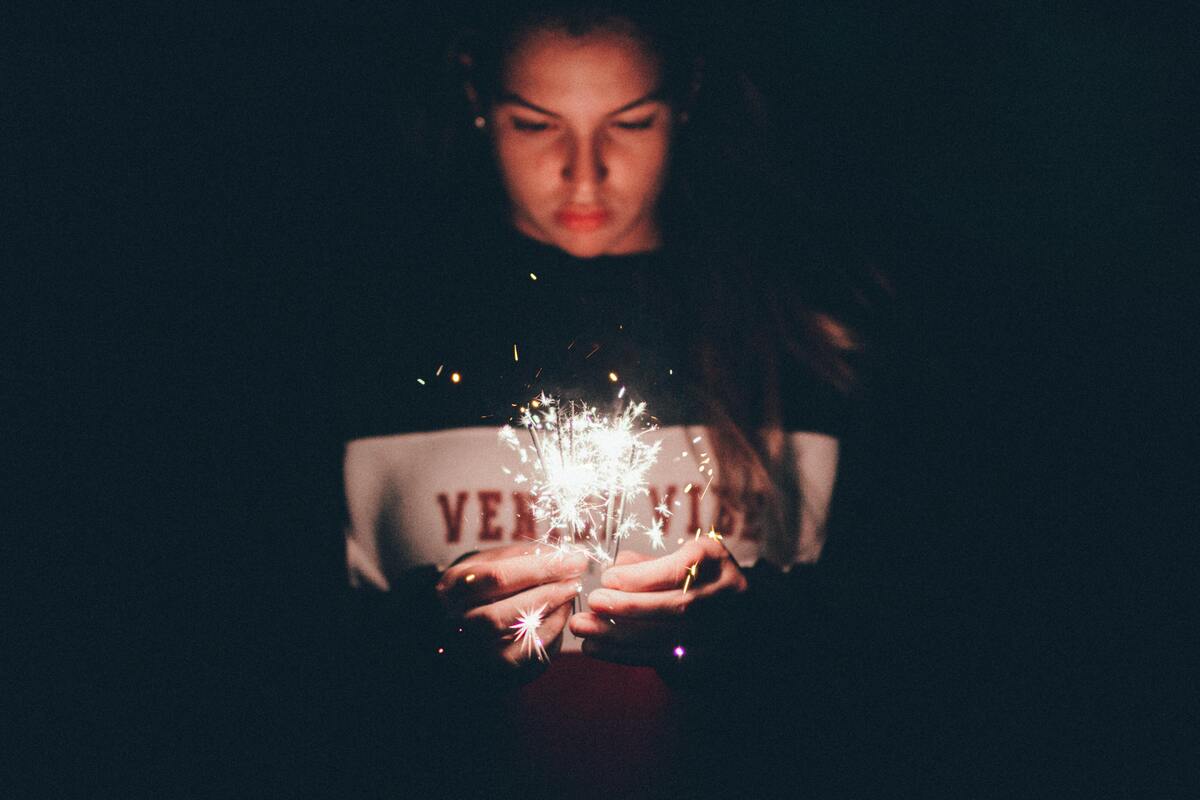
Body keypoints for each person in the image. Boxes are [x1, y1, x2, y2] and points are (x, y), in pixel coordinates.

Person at [333, 3, 885, 795]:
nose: (583, 173)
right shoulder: (377, 344)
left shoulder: (807, 342)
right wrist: (422, 651)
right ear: (473, 94)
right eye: (535, 124)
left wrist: (762, 640)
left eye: (629, 122)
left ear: (687, 96)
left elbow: (898, 661)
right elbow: (283, 665)